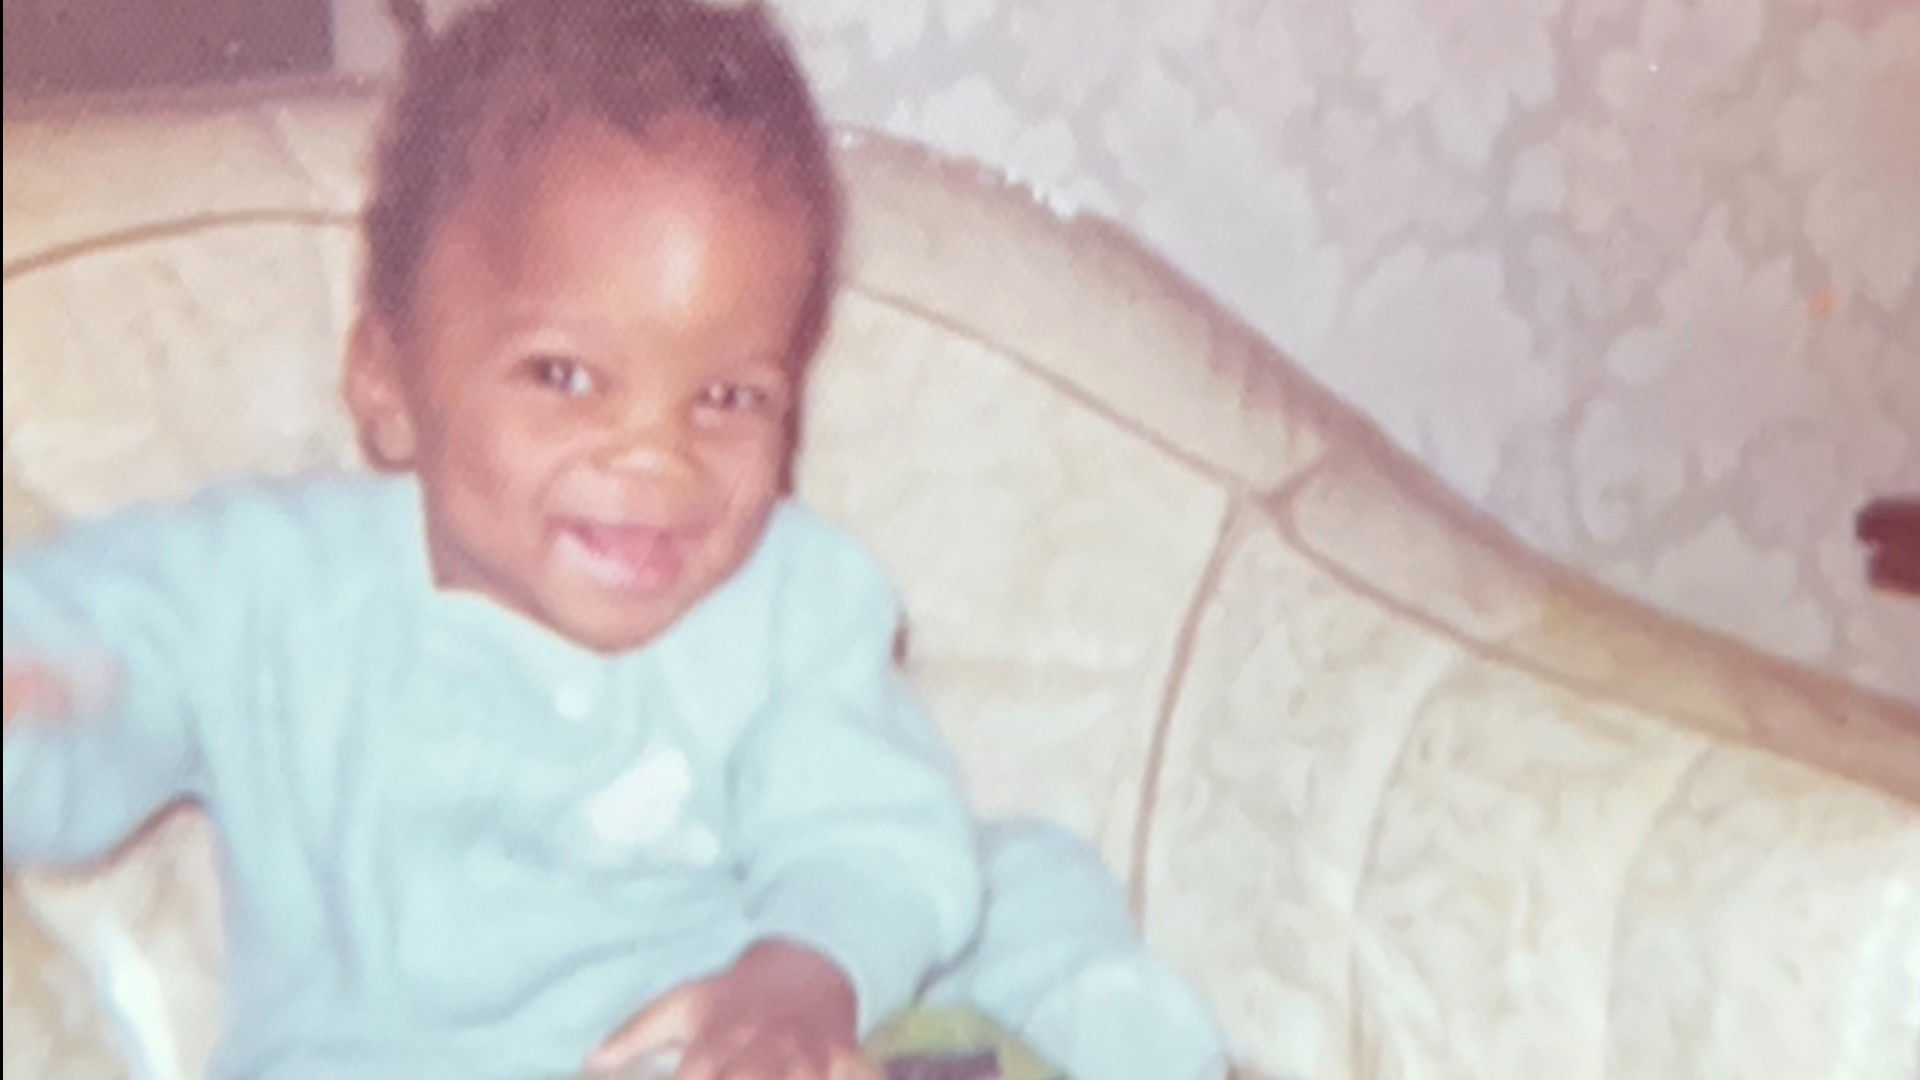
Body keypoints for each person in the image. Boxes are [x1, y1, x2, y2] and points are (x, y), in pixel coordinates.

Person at [0, 2, 1228, 1078]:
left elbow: (868, 831)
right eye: (567, 375)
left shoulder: (791, 602)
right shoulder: (266, 587)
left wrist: (802, 976)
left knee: (1020, 884)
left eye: (728, 397)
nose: (657, 461)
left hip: (726, 1034)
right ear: (388, 376)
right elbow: (91, 666)